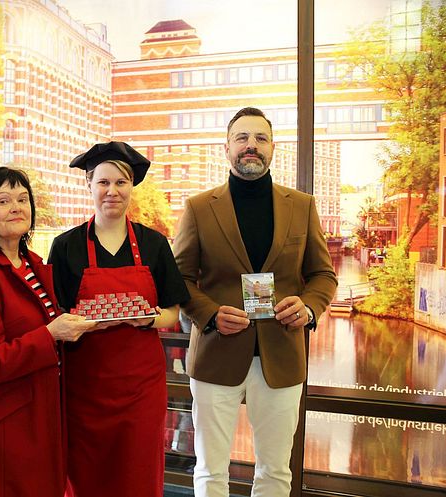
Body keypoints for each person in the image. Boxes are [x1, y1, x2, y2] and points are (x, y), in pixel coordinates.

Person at [173, 107, 337, 497]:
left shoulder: (302, 206)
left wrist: (310, 306)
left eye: (260, 138)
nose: (252, 146)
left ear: (273, 148)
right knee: (211, 471)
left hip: (281, 356)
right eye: (243, 138)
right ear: (226, 148)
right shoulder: (198, 207)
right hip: (216, 354)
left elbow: (323, 275)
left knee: (276, 471)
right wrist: (209, 315)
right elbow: (178, 280)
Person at [0, 167, 99, 497]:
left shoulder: (33, 263)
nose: (16, 206)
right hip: (2, 427)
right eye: (3, 200)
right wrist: (51, 333)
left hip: (42, 417)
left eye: (22, 199)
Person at [48, 141, 190, 497]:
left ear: (131, 187)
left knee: (138, 474)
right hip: (85, 388)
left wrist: (149, 320)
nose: (112, 191)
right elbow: (55, 315)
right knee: (86, 475)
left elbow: (173, 310)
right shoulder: (66, 246)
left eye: (121, 183)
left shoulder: (155, 244)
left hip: (140, 389)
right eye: (103, 182)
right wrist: (79, 322)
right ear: (88, 185)